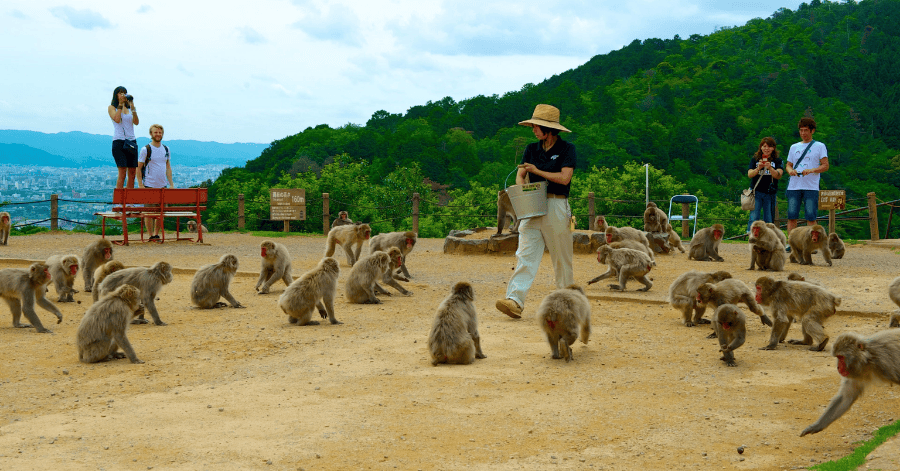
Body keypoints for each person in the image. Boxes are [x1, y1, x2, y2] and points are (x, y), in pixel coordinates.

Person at [495, 104, 576, 319]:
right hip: (532, 204)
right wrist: (522, 188)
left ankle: (567, 304)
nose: (533, 129)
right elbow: (520, 174)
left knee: (561, 257)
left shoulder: (567, 150)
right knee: (525, 253)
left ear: (548, 129)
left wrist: (537, 171)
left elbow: (565, 178)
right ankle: (515, 300)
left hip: (556, 204)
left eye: (536, 126)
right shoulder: (531, 148)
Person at [785, 117, 829, 236]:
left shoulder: (820, 146)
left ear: (812, 131)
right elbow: (788, 165)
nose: (803, 133)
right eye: (801, 130)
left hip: (811, 186)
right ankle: (791, 242)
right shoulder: (793, 147)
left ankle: (812, 243)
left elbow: (825, 165)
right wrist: (790, 171)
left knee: (811, 216)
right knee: (792, 216)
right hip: (794, 186)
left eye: (805, 130)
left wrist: (812, 170)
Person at [138, 124, 174, 240]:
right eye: (155, 132)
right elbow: (138, 168)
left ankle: (156, 233)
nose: (158, 134)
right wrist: (140, 184)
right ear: (151, 134)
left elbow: (168, 167)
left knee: (160, 212)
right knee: (148, 212)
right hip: (149, 184)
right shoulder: (146, 149)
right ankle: (151, 234)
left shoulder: (166, 149)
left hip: (162, 184)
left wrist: (171, 183)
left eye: (160, 132)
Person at [746, 137, 784, 233]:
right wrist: (758, 168)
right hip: (756, 192)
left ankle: (768, 236)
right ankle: (751, 235)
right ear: (761, 147)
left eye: (769, 146)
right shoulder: (755, 159)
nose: (766, 148)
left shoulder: (777, 160)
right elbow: (750, 174)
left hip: (770, 193)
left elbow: (778, 175)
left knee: (769, 218)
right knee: (754, 216)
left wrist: (770, 168)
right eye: (764, 146)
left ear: (773, 148)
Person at [107, 86, 139, 189]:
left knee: (132, 172)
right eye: (120, 93)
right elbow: (116, 119)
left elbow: (136, 122)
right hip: (119, 141)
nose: (122, 95)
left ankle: (129, 202)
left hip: (131, 141)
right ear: (116, 95)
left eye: (124, 93)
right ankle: (120, 201)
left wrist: (132, 107)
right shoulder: (112, 107)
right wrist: (120, 105)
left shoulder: (129, 109)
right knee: (122, 171)